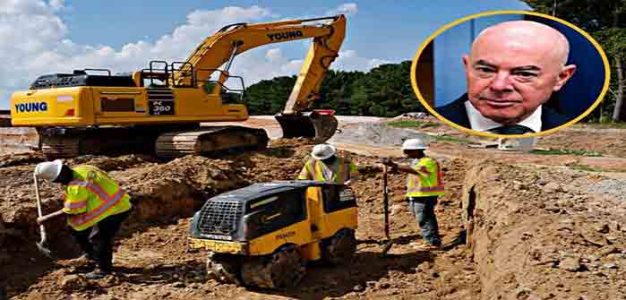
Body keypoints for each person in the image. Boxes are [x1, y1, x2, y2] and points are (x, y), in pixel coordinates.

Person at [436, 20, 577, 134]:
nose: (499, 86)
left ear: (561, 78)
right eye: (486, 70)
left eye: (524, 74)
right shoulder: (432, 124)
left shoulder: (572, 134)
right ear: (467, 68)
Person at [35, 160, 132, 279]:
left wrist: (45, 218)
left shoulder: (76, 187)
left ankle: (103, 269)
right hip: (116, 200)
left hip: (115, 209)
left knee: (98, 237)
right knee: (76, 229)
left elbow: (73, 211)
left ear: (57, 179)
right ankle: (92, 257)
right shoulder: (83, 168)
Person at [382, 138, 444, 248]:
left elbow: (414, 170)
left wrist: (393, 164)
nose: (405, 154)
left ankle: (432, 242)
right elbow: (409, 168)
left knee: (425, 219)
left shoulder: (428, 162)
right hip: (417, 195)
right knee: (423, 218)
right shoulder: (417, 161)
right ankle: (430, 239)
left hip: (425, 196)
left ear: (416, 150)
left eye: (407, 151)